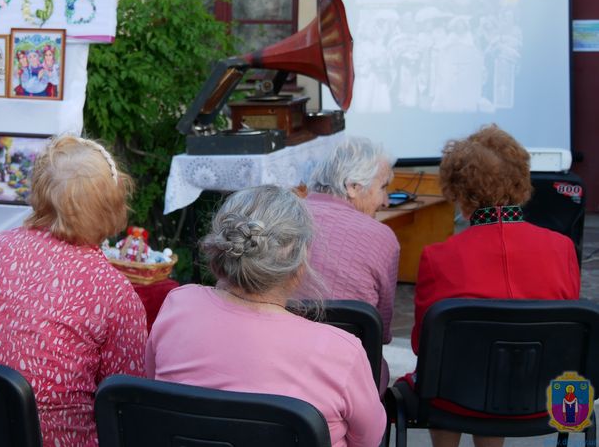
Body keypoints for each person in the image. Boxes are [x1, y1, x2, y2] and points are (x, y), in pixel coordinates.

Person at [147, 185, 385, 447]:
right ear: (300, 263)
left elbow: (154, 392)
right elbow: (369, 440)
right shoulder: (342, 352)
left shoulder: (178, 307)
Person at [0, 135, 147, 447]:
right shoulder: (114, 291)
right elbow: (126, 401)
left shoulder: (3, 245)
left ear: (39, 191)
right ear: (113, 203)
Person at [410, 124, 580, 447]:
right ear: (520, 182)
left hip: (459, 398)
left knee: (447, 373)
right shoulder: (562, 248)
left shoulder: (438, 257)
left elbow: (422, 345)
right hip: (544, 397)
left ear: (459, 192)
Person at [291, 135, 399, 393]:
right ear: (352, 186)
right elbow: (380, 333)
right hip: (350, 381)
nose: (386, 201)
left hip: (280, 368)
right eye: (383, 187)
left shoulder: (282, 217)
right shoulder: (382, 237)